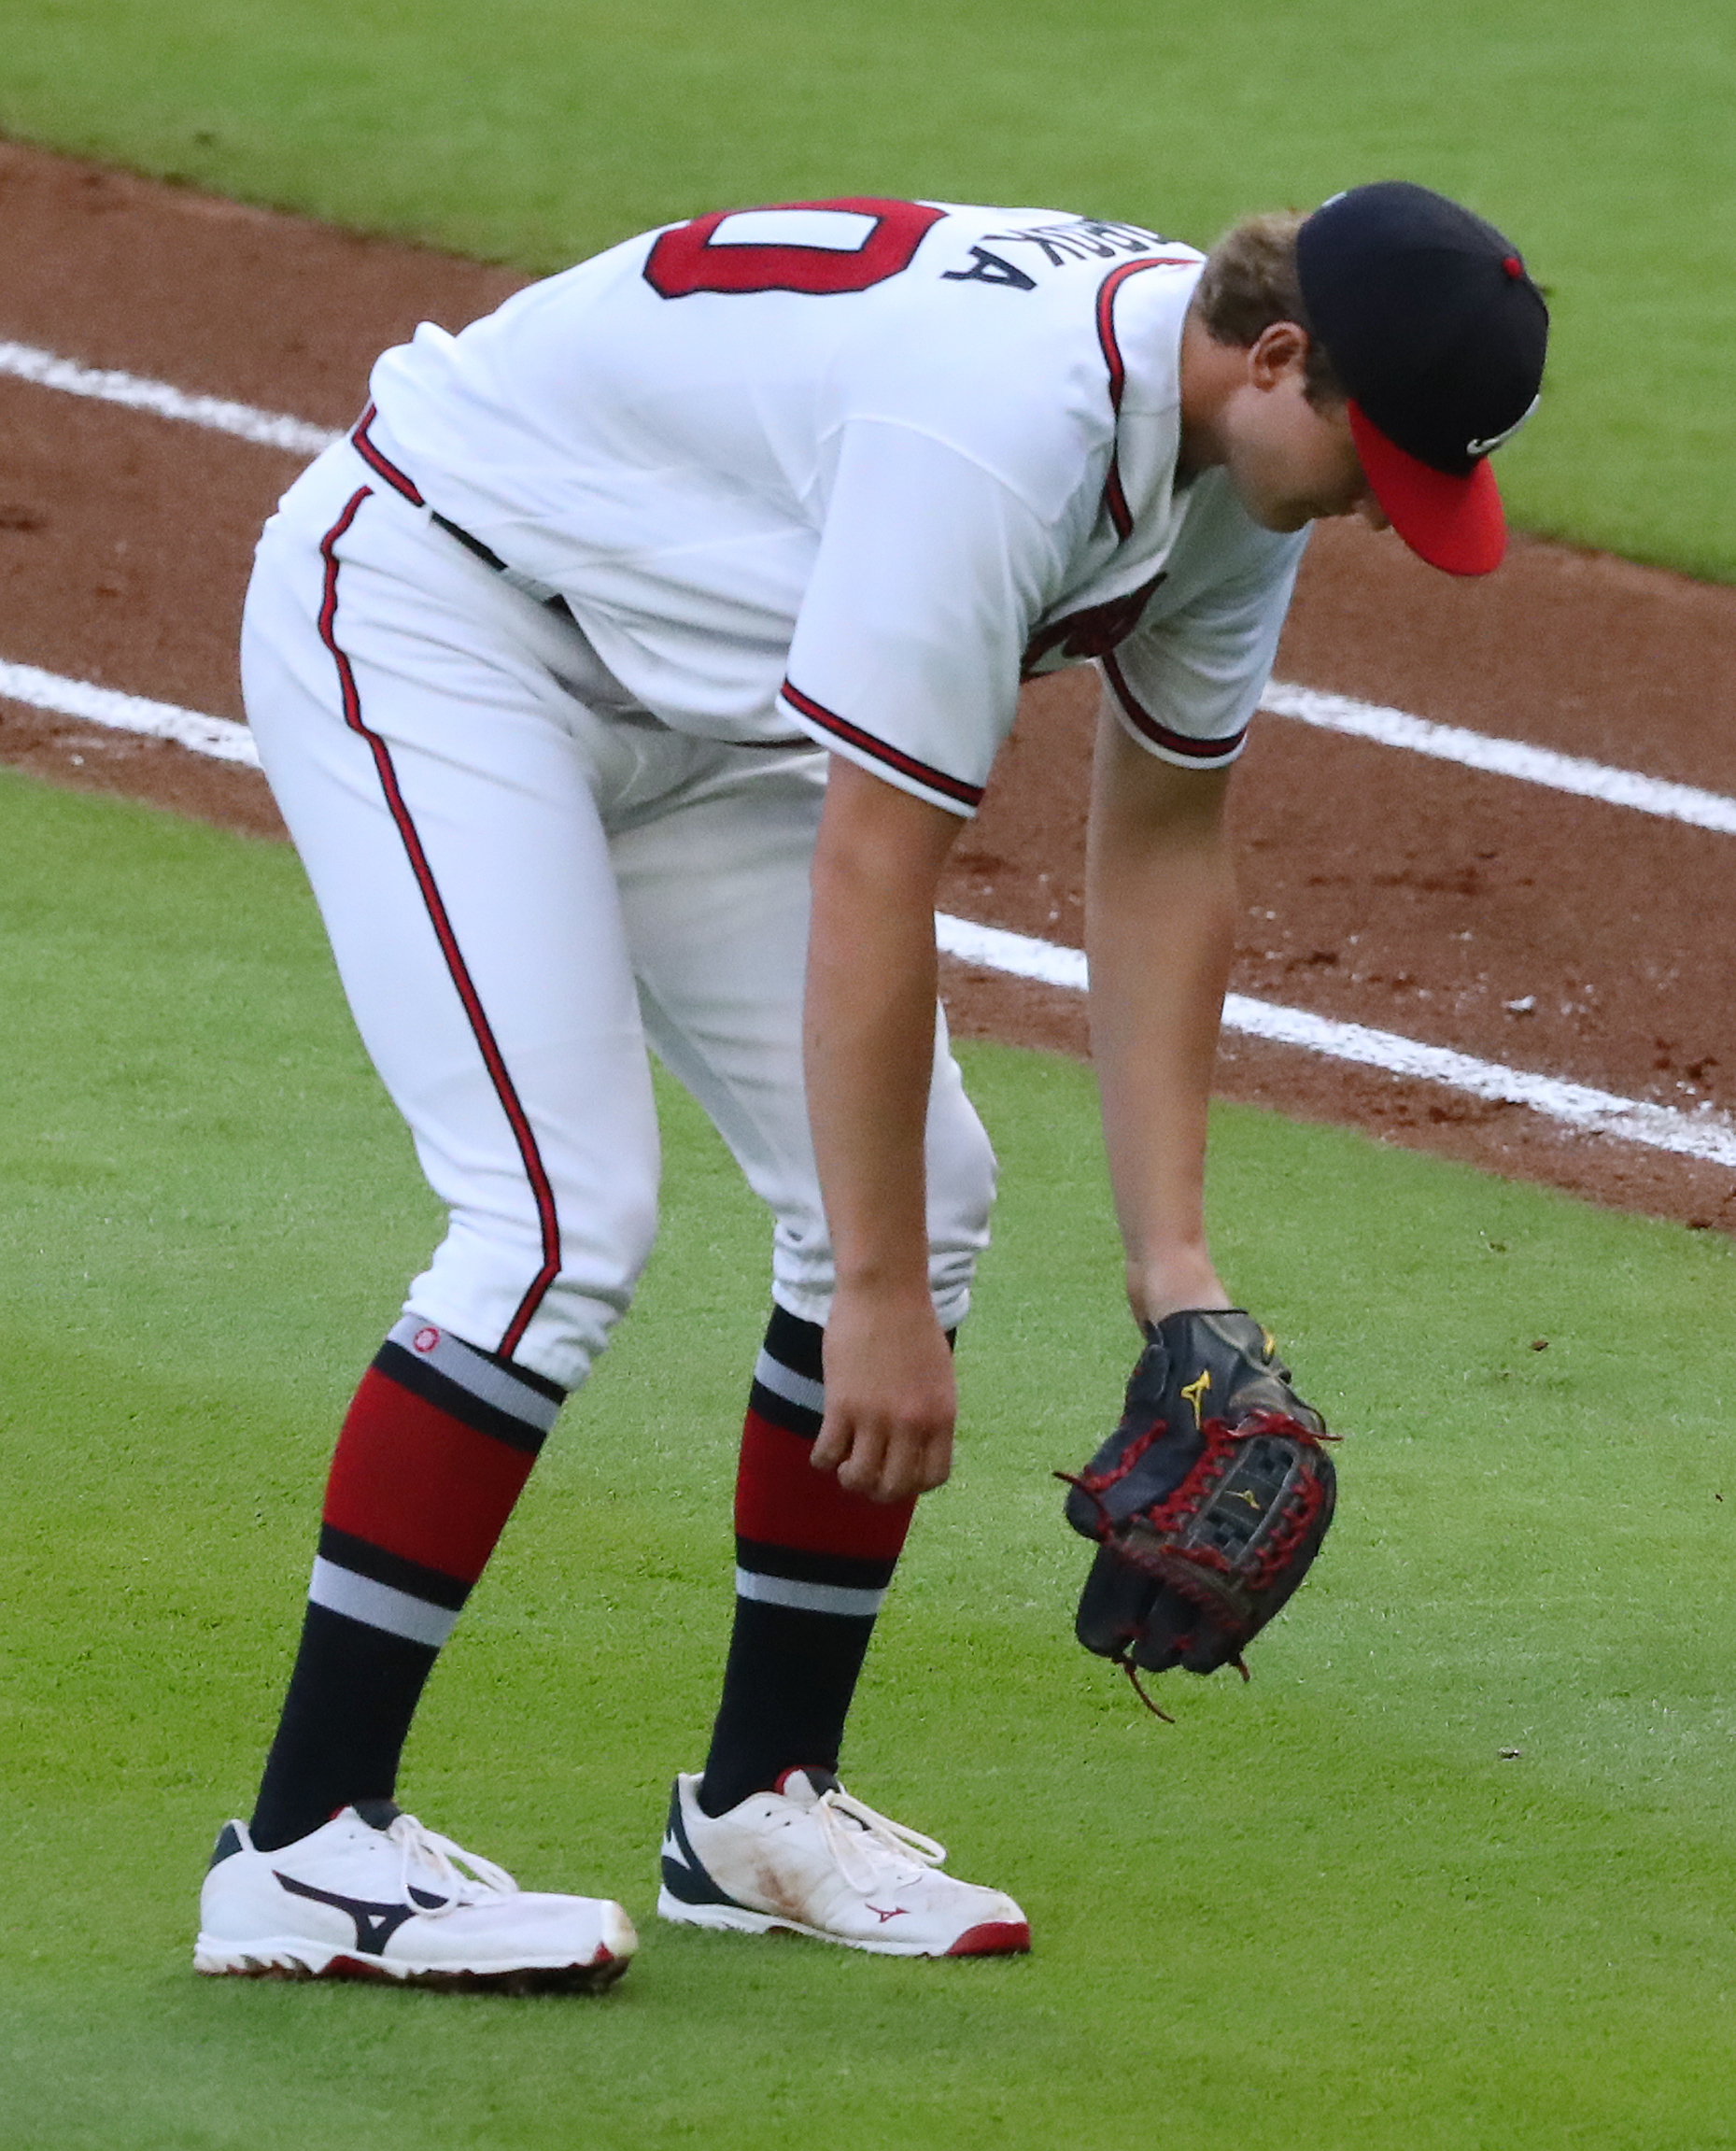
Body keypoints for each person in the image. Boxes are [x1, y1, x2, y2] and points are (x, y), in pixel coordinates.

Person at [195, 181, 1546, 1986]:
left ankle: (759, 1808)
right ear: (1280, 357)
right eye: (1380, 455)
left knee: (928, 1183)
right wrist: (880, 1301)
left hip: (698, 703)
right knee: (555, 1217)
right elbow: (872, 867)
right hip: (444, 612)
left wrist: (1183, 1278)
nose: (1387, 503)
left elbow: (1162, 853)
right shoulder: (1002, 430)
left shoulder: (1239, 465)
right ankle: (300, 1846)